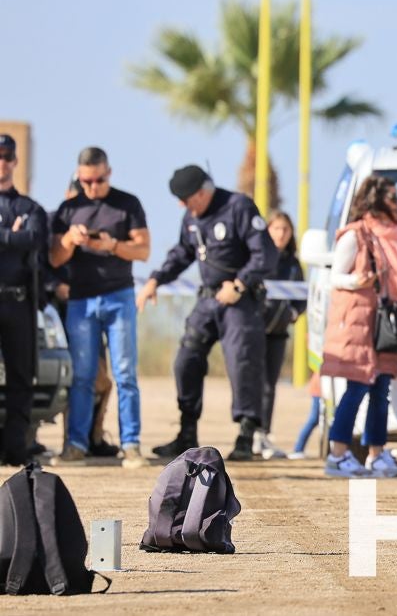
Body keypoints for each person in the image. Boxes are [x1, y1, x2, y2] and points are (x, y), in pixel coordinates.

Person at [137, 165, 277, 461]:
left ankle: (245, 436)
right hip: (208, 300)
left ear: (202, 193)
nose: (182, 206)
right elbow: (182, 253)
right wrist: (155, 279)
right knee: (185, 361)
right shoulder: (192, 217)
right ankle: (186, 433)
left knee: (243, 364)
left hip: (239, 300)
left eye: (186, 199)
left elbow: (265, 253)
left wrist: (240, 285)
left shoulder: (238, 207)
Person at [320, 175, 397, 478]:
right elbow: (334, 277)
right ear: (375, 200)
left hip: (384, 321)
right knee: (357, 387)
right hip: (360, 321)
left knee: (381, 388)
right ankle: (338, 454)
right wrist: (356, 281)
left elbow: (393, 275)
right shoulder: (355, 235)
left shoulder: (392, 236)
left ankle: (376, 454)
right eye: (392, 198)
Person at [50, 147, 150, 468]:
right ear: (79, 177)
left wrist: (112, 246)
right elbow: (53, 258)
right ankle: (76, 444)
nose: (93, 187)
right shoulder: (67, 209)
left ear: (109, 172)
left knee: (124, 373)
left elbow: (144, 250)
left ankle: (131, 444)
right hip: (81, 300)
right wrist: (69, 241)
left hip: (119, 296)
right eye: (87, 181)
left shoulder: (128, 204)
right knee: (81, 376)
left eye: (99, 180)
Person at [47, 174, 118, 458]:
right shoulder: (50, 221)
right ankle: (70, 442)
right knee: (68, 380)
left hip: (90, 309)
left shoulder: (101, 221)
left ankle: (92, 438)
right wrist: (56, 287)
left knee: (101, 381)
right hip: (57, 314)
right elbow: (40, 264)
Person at [0, 133, 48, 466]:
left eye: (6, 155)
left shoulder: (29, 208)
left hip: (18, 303)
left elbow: (34, 239)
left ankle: (15, 448)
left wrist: (13, 237)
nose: (1, 161)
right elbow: (21, 239)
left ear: (15, 160)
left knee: (21, 377)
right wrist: (12, 236)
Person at [254, 210, 307, 459]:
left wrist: (294, 313)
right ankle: (249, 432)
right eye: (277, 228)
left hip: (278, 334)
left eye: (286, 229)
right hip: (253, 331)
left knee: (269, 386)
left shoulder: (293, 264)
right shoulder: (258, 257)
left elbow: (302, 296)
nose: (281, 233)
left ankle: (263, 433)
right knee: (251, 383)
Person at [288, 371, 322, 460]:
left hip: (320, 386)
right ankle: (298, 449)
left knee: (315, 419)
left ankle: (298, 449)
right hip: (320, 388)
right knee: (314, 419)